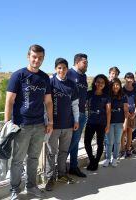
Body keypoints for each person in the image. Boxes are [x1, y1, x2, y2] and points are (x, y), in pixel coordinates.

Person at [4, 44, 53, 200]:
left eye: (40, 58)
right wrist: (7, 123)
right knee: (17, 160)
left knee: (33, 158)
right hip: (21, 125)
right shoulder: (18, 76)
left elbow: (49, 102)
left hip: (39, 125)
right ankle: (14, 189)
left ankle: (31, 186)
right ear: (28, 56)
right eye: (34, 57)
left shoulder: (45, 78)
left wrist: (50, 122)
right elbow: (9, 101)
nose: (37, 60)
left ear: (43, 59)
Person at [45, 58, 79, 191]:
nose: (62, 70)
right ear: (55, 69)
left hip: (68, 125)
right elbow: (45, 103)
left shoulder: (72, 85)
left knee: (64, 151)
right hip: (53, 126)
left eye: (64, 68)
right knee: (51, 153)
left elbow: (74, 104)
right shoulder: (50, 82)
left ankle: (62, 174)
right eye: (59, 68)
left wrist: (76, 120)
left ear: (67, 69)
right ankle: (49, 178)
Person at [66, 53, 88, 178]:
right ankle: (59, 168)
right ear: (77, 62)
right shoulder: (68, 73)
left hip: (82, 113)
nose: (87, 65)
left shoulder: (84, 77)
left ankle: (73, 167)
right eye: (85, 62)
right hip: (72, 114)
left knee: (76, 142)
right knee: (72, 142)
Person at [84, 74, 111, 171]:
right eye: (98, 82)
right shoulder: (89, 93)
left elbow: (108, 112)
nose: (100, 84)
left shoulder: (106, 96)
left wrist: (108, 125)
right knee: (87, 142)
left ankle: (95, 162)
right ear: (95, 82)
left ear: (105, 84)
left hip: (101, 123)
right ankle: (92, 160)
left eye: (102, 82)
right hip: (90, 122)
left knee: (100, 143)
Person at [103, 78, 128, 167]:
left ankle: (115, 158)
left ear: (120, 85)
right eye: (113, 85)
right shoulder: (108, 95)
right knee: (109, 142)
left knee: (117, 142)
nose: (115, 86)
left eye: (117, 84)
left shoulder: (124, 96)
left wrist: (125, 122)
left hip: (119, 122)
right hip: (109, 122)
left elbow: (125, 110)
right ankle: (107, 158)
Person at [121, 72, 136, 158]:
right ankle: (122, 149)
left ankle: (128, 149)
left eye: (131, 78)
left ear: (133, 80)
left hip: (132, 114)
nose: (129, 80)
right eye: (127, 78)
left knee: (129, 132)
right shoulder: (122, 90)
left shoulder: (135, 90)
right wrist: (126, 112)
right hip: (123, 114)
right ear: (125, 78)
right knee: (123, 131)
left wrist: (134, 113)